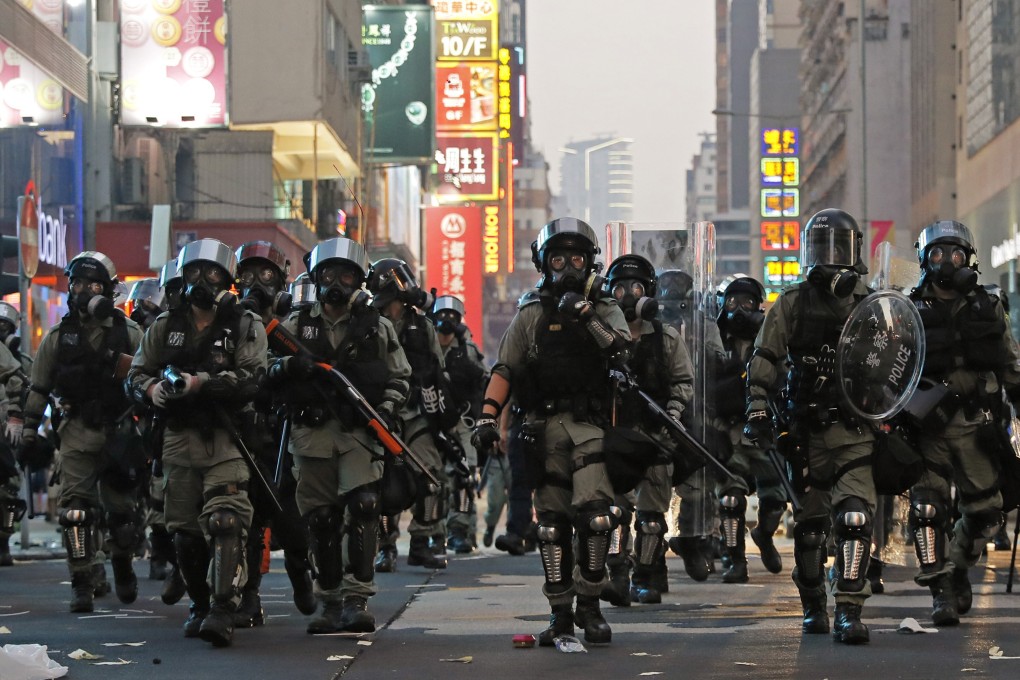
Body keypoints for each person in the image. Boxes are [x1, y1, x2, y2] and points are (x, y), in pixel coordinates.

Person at [473, 217, 631, 646]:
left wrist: (585, 314)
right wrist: (487, 418)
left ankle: (590, 606)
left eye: (576, 259)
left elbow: (619, 349)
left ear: (589, 264)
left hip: (589, 427)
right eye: (558, 260)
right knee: (551, 527)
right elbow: (506, 368)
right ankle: (560, 613)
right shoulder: (531, 314)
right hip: (541, 431)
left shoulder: (603, 307)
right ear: (545, 264)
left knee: (597, 517)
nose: (567, 268)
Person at [744, 208, 876, 645]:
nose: (830, 258)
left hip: (856, 432)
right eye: (821, 248)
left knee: (855, 517)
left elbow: (898, 361)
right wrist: (757, 408)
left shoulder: (873, 304)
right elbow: (764, 357)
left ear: (855, 252)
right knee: (811, 528)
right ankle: (814, 603)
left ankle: (849, 609)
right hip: (805, 432)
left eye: (839, 248)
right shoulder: (793, 302)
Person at [127, 238, 266, 647]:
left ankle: (223, 609)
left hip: (227, 439)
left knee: (226, 521)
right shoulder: (165, 325)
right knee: (185, 533)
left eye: (211, 274)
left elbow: (252, 378)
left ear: (227, 280)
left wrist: (200, 383)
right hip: (177, 438)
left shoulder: (245, 324)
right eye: (193, 273)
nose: (201, 281)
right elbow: (135, 375)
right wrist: (151, 389)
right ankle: (200, 605)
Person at [270, 238, 411, 634]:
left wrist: (385, 411)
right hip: (310, 435)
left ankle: (357, 599)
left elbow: (400, 376)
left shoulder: (376, 327)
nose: (336, 283)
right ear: (316, 279)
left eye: (346, 276)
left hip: (359, 434)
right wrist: (287, 368)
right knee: (321, 519)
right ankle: (330, 600)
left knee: (365, 506)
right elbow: (263, 366)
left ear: (358, 280)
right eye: (328, 275)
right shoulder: (295, 325)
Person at [906, 220, 1020, 625]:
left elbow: (1010, 362)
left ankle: (956, 567)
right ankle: (939, 590)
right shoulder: (906, 308)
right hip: (928, 429)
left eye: (955, 253)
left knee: (988, 513)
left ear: (968, 259)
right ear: (925, 259)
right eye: (938, 253)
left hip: (977, 425)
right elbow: (888, 370)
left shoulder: (988, 305)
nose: (947, 261)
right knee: (926, 510)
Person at [16, 252, 144, 612]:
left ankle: (122, 562)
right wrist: (28, 431)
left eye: (93, 285)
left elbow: (149, 378)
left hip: (120, 431)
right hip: (76, 432)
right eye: (77, 284)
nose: (84, 291)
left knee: (122, 515)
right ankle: (82, 582)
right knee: (75, 512)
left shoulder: (130, 333)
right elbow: (39, 387)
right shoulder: (59, 337)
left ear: (109, 290)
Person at [600, 254, 694, 606]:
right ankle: (617, 574)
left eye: (636, 287)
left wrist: (673, 412)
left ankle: (645, 575)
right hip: (615, 438)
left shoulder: (666, 338)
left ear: (649, 291)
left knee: (652, 518)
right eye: (619, 288)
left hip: (657, 436)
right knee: (614, 513)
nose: (627, 295)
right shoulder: (602, 337)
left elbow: (683, 380)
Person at [231, 240, 315, 626]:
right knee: (246, 520)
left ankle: (301, 575)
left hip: (286, 433)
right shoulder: (230, 325)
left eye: (266, 275)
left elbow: (309, 365)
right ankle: (249, 595)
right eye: (247, 276)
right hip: (242, 434)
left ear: (281, 284)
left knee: (290, 520)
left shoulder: (293, 325)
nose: (256, 284)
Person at [368, 259, 455, 571]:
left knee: (430, 477)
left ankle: (421, 542)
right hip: (380, 412)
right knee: (380, 482)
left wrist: (443, 418)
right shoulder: (369, 325)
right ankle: (385, 546)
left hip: (416, 412)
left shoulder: (423, 326)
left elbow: (438, 370)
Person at [712, 275, 786, 583]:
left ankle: (764, 535)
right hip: (728, 431)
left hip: (763, 429)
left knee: (776, 498)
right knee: (730, 498)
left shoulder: (770, 341)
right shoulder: (715, 340)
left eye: (747, 302)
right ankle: (734, 559)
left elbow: (784, 378)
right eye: (732, 302)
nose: (739, 309)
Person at [432, 295, 488, 554]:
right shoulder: (426, 347)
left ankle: (460, 530)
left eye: (452, 317)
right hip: (432, 422)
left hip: (463, 423)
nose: (446, 322)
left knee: (464, 477)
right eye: (442, 316)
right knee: (434, 478)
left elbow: (485, 383)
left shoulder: (468, 350)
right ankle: (434, 531)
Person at [0, 301, 29, 566]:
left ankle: (3, 541)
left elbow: (25, 383)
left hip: (5, 433)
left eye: (5, 326)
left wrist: (17, 418)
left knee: (9, 486)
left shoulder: (17, 361)